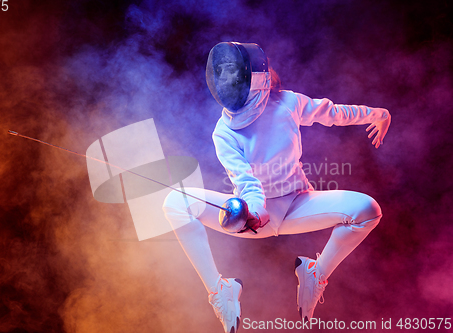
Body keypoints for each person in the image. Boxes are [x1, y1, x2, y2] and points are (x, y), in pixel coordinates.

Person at [163, 42, 391, 333]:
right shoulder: (223, 132)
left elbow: (333, 113)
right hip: (254, 218)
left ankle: (315, 273)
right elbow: (245, 181)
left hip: (298, 203)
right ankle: (220, 290)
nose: (227, 79)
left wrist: (377, 114)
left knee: (367, 210)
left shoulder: (288, 103)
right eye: (221, 72)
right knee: (175, 202)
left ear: (254, 75)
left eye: (232, 71)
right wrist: (254, 211)